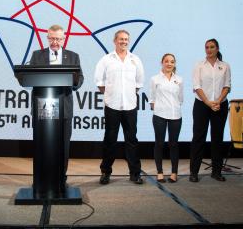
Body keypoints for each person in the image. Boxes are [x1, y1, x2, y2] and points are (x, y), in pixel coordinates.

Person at [29, 24, 84, 185]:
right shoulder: (37, 55)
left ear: (64, 39)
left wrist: (73, 83)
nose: (55, 42)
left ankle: (61, 177)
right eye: (52, 38)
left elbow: (80, 78)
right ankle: (40, 178)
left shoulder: (73, 56)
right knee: (41, 145)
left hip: (64, 107)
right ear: (47, 38)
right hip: (42, 106)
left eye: (58, 39)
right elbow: (31, 77)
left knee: (63, 145)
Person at [94, 29, 144, 185]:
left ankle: (135, 173)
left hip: (130, 106)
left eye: (126, 39)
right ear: (115, 41)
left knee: (132, 140)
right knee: (110, 140)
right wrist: (111, 95)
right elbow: (99, 82)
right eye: (121, 39)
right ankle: (105, 172)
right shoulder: (106, 60)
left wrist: (127, 95)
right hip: (112, 106)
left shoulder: (135, 60)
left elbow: (138, 83)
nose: (124, 41)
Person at [189, 38, 231, 182]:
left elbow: (227, 86)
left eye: (212, 47)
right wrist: (208, 102)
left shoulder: (225, 66)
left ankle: (216, 171)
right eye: (207, 47)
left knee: (217, 139)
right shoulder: (199, 65)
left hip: (220, 105)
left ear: (217, 49)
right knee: (198, 138)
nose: (209, 49)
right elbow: (196, 86)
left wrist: (218, 101)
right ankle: (194, 172)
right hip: (202, 105)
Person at [149, 53, 183, 183]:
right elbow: (152, 99)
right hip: (159, 115)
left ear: (174, 64)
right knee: (159, 143)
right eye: (167, 61)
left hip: (176, 115)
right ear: (162, 62)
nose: (169, 64)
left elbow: (181, 99)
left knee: (174, 144)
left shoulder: (179, 79)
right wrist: (160, 109)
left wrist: (173, 107)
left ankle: (174, 173)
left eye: (172, 62)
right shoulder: (155, 79)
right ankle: (160, 172)